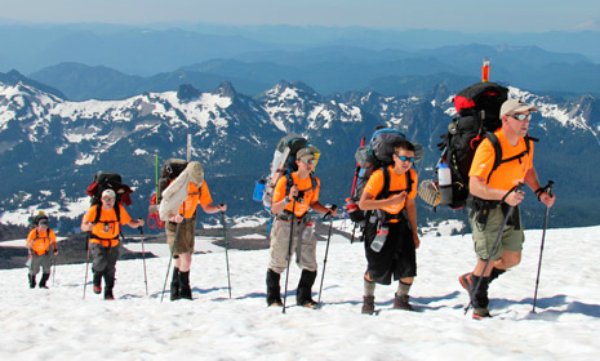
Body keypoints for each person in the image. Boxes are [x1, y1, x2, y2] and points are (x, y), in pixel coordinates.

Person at [458, 99, 556, 319]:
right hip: (486, 207)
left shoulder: (525, 143)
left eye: (528, 116)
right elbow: (475, 185)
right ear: (505, 120)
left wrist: (539, 192)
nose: (526, 121)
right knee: (488, 258)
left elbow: (527, 169)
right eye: (520, 116)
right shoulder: (490, 145)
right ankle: (480, 307)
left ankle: (474, 280)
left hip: (510, 204)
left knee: (512, 258)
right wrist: (503, 195)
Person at [266, 147, 337, 308]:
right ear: (298, 162)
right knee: (278, 262)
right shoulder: (285, 181)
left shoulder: (313, 181)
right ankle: (273, 299)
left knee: (310, 262)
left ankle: (304, 298)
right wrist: (288, 198)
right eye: (307, 161)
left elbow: (312, 203)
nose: (310, 164)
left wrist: (327, 211)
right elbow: (274, 209)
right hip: (284, 223)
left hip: (303, 223)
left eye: (312, 161)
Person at [358, 140, 420, 314]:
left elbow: (410, 205)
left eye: (410, 159)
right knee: (375, 268)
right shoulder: (380, 176)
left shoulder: (412, 176)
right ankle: (368, 301)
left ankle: (401, 300)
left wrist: (414, 233)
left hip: (400, 225)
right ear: (394, 157)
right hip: (378, 226)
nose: (407, 162)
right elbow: (363, 204)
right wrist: (390, 201)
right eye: (403, 158)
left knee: (409, 267)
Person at [164, 162, 227, 301]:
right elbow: (164, 209)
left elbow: (206, 206)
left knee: (181, 259)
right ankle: (185, 291)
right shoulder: (176, 184)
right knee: (186, 258)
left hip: (189, 223)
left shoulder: (200, 184)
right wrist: (174, 217)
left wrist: (218, 208)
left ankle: (175, 290)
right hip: (175, 224)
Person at [81, 189, 144, 300]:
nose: (108, 201)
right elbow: (83, 226)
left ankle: (108, 291)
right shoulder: (95, 210)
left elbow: (130, 223)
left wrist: (139, 224)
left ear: (115, 200)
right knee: (100, 261)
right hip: (97, 241)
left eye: (111, 199)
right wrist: (88, 227)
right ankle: (97, 280)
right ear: (101, 200)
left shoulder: (118, 209)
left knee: (110, 267)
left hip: (113, 242)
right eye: (106, 199)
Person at [26, 213, 58, 289]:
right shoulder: (33, 233)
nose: (44, 228)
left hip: (45, 253)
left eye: (45, 227)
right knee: (34, 270)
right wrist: (31, 243)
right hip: (35, 253)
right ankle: (32, 284)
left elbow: (53, 241)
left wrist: (55, 249)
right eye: (42, 226)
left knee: (47, 269)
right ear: (38, 225)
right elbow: (27, 244)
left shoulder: (50, 232)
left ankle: (42, 284)